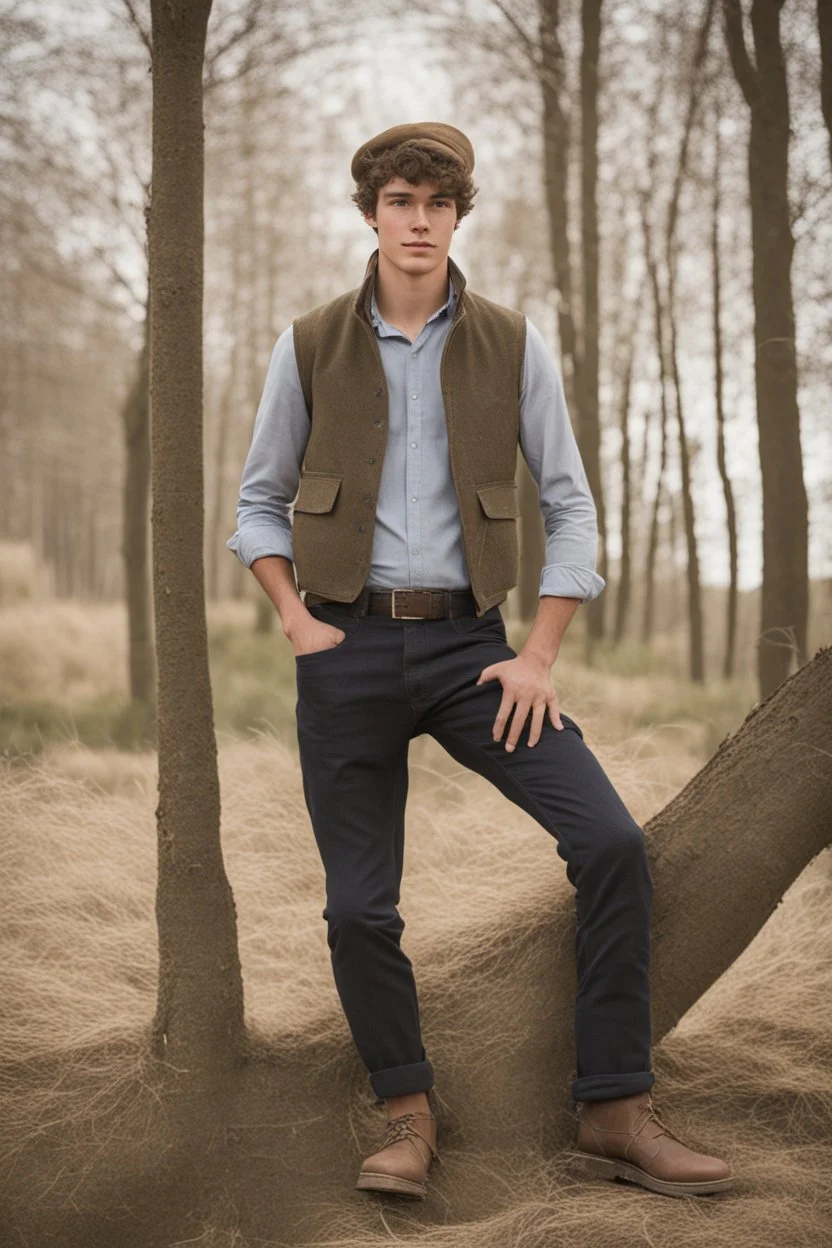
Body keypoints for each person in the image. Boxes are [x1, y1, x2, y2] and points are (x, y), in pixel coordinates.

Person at [226, 121, 733, 1202]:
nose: (418, 222)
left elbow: (569, 504)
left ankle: (612, 1108)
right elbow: (257, 502)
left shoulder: (510, 340)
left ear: (459, 216)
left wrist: (538, 652)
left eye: (437, 204)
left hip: (473, 651)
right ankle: (405, 1117)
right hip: (346, 646)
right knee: (360, 907)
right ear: (371, 213)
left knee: (608, 842)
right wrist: (294, 620)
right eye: (400, 202)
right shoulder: (311, 341)